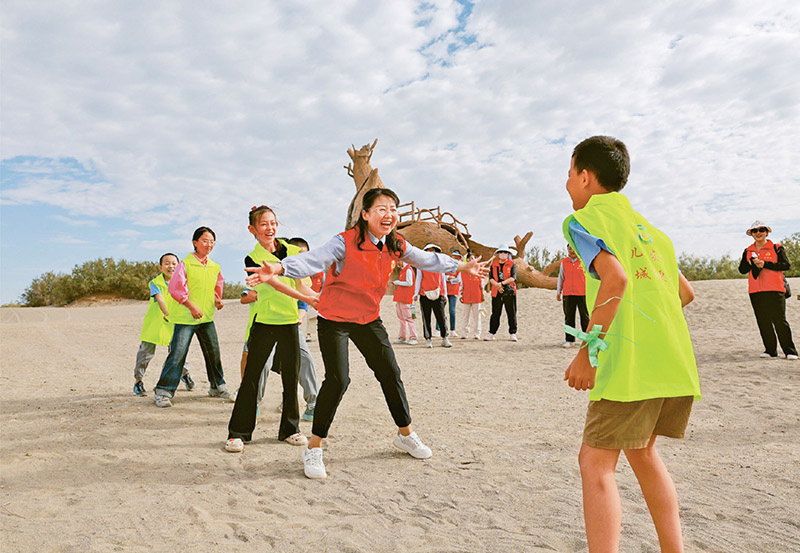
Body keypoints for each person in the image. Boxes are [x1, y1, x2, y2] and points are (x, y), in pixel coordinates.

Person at [245, 187, 489, 479]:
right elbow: (314, 260)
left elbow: (425, 259)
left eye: (393, 209)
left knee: (390, 372)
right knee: (338, 380)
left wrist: (461, 265)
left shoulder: (395, 244)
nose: (389, 215)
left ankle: (405, 434)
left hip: (368, 319)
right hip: (334, 319)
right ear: (365, 214)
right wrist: (279, 268)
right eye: (381, 209)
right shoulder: (344, 242)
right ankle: (314, 447)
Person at [562, 135, 701, 552]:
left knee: (594, 462)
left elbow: (616, 279)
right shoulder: (652, 231)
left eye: (569, 174)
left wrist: (587, 352)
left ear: (585, 177)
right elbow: (685, 293)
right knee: (643, 454)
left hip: (630, 368)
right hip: (674, 364)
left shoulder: (583, 221)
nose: (567, 184)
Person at [226, 207, 318, 453]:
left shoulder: (294, 252)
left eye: (273, 223)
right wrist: (307, 299)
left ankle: (290, 429)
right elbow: (275, 284)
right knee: (252, 378)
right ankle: (238, 433)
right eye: (264, 224)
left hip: (289, 322)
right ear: (252, 229)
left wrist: (318, 298)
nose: (270, 228)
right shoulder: (252, 258)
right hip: (265, 321)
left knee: (291, 377)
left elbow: (302, 285)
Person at [153, 227, 232, 407]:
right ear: (195, 242)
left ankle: (217, 386)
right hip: (185, 318)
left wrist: (217, 301)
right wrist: (192, 307)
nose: (209, 244)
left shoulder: (215, 267)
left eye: (212, 242)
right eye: (205, 241)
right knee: (178, 354)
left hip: (206, 318)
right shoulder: (185, 264)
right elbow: (176, 290)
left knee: (213, 353)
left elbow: (215, 289)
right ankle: (163, 392)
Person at [133, 253, 195, 396]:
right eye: (167, 263)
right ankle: (138, 381)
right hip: (155, 323)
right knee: (145, 354)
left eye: (174, 263)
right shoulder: (155, 283)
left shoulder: (183, 282)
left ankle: (185, 375)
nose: (170, 266)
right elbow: (160, 299)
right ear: (160, 267)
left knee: (179, 351)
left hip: (175, 322)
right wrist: (167, 313)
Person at [738, 221, 797, 360]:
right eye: (755, 231)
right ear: (751, 234)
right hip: (756, 291)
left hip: (775, 289)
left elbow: (786, 265)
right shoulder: (748, 251)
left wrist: (765, 264)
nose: (758, 233)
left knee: (779, 320)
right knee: (763, 321)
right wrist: (751, 263)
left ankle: (790, 351)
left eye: (761, 230)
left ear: (766, 232)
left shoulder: (777, 248)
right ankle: (770, 350)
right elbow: (742, 270)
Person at [416, 244, 452, 348]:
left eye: (433, 251)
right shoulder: (421, 265)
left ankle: (445, 338)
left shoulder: (440, 265)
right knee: (426, 317)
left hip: (438, 294)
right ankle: (428, 339)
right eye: (429, 251)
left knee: (441, 317)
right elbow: (418, 279)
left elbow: (443, 280)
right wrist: (415, 293)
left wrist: (445, 294)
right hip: (424, 294)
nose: (431, 253)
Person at [557, 244, 590, 348]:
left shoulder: (583, 261)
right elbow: (561, 277)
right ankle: (570, 340)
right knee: (569, 317)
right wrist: (558, 291)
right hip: (568, 294)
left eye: (573, 248)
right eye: (569, 248)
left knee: (585, 317)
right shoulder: (564, 262)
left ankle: (587, 339)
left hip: (582, 293)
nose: (571, 251)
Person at [485, 244, 518, 342]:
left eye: (505, 252)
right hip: (496, 291)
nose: (503, 254)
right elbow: (491, 278)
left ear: (508, 254)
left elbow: (513, 278)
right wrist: (497, 285)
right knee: (495, 313)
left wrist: (502, 284)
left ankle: (512, 333)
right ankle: (491, 333)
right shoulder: (494, 264)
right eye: (501, 252)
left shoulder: (512, 264)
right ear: (498, 254)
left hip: (509, 291)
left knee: (511, 312)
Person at [459, 251, 485, 339]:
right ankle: (464, 333)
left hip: (476, 296)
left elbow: (481, 285)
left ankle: (477, 333)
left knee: (477, 316)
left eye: (473, 258)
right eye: (469, 258)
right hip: (466, 296)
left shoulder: (479, 271)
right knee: (465, 316)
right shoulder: (463, 272)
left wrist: (482, 295)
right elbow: (461, 285)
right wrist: (461, 295)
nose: (471, 260)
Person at [392, 259, 419, 345]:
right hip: (401, 297)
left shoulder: (408, 270)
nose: (397, 263)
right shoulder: (403, 270)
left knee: (409, 318)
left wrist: (398, 282)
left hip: (407, 298)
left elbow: (409, 283)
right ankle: (402, 337)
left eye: (399, 261)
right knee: (401, 318)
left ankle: (413, 337)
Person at [444, 249, 463, 336]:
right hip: (445, 290)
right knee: (441, 310)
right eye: (454, 256)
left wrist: (449, 279)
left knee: (452, 311)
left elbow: (458, 279)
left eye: (457, 257)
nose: (455, 258)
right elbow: (442, 277)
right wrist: (449, 278)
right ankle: (438, 329)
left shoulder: (459, 268)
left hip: (454, 291)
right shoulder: (446, 266)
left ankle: (452, 330)